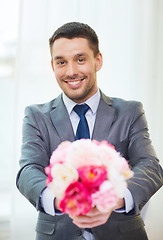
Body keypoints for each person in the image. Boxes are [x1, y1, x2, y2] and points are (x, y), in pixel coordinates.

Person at [16, 22, 163, 240]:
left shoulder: (130, 112)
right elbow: (28, 170)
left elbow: (150, 166)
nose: (71, 71)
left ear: (98, 60)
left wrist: (115, 198)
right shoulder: (36, 116)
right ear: (53, 65)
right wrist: (65, 200)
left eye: (80, 59)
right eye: (61, 62)